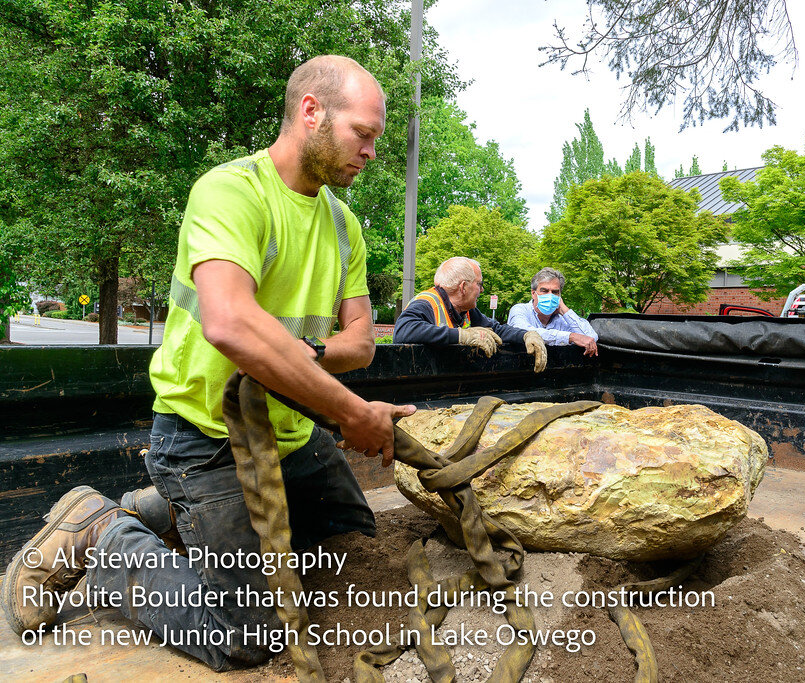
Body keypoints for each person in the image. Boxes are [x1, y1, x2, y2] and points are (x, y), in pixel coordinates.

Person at [1, 55, 415, 671]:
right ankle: (102, 531)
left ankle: (162, 511)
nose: (372, 151)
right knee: (247, 635)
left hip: (292, 433)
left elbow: (360, 341)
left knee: (347, 551)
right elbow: (228, 323)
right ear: (311, 112)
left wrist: (301, 358)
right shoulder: (230, 191)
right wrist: (353, 414)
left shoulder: (342, 221)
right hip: (206, 438)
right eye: (364, 134)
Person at [393, 257, 547, 372]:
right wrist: (461, 336)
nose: (482, 290)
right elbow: (403, 331)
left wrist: (526, 335)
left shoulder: (466, 310)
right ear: (463, 287)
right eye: (479, 284)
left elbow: (497, 330)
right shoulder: (426, 303)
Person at [507, 267, 599, 357]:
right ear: (533, 293)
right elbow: (522, 331)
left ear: (560, 296)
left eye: (555, 292)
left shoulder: (563, 319)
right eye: (544, 291)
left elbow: (590, 337)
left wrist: (564, 310)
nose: (550, 296)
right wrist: (570, 337)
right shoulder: (520, 310)